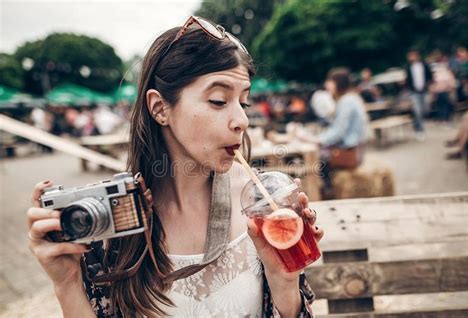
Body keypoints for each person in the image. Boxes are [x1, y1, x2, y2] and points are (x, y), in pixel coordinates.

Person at [26, 16, 323, 317]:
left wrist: (284, 282)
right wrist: (66, 285)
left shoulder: (260, 208)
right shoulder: (112, 221)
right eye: (219, 100)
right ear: (159, 108)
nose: (242, 120)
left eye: (243, 103)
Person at [296, 67, 368, 199]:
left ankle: (327, 193)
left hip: (351, 152)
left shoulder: (346, 101)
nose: (327, 85)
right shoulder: (351, 98)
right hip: (355, 148)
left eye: (330, 81)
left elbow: (338, 132)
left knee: (319, 158)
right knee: (320, 153)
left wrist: (315, 140)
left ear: (337, 83)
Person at [405, 49, 433, 140]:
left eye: (413, 55)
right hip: (414, 92)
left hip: (424, 90)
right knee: (417, 111)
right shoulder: (408, 67)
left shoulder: (424, 65)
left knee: (425, 109)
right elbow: (407, 80)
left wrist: (428, 85)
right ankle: (419, 130)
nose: (411, 57)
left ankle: (416, 124)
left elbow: (430, 76)